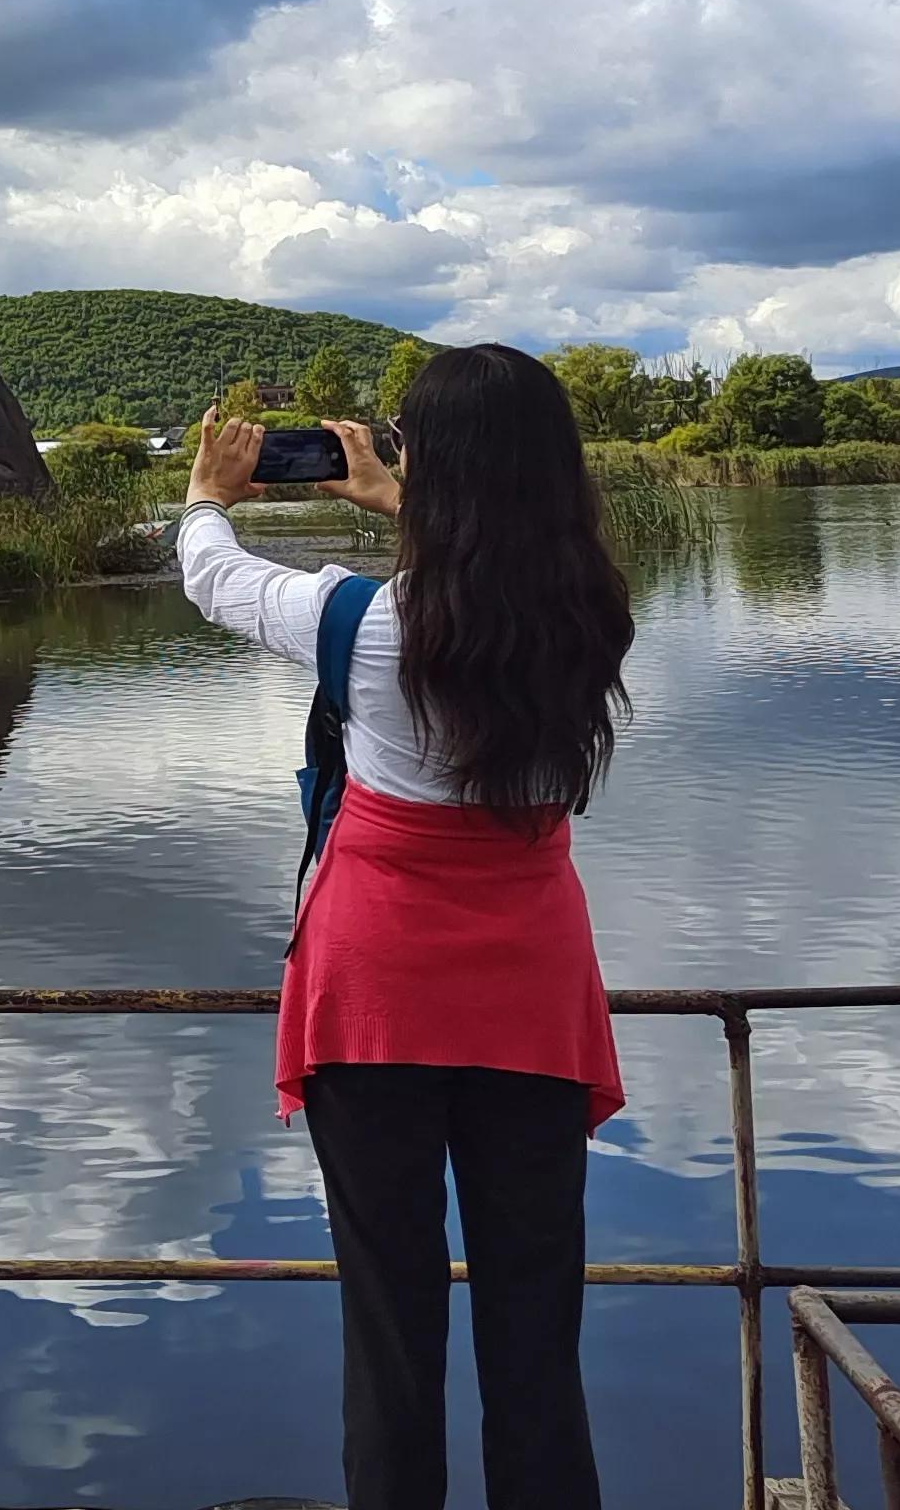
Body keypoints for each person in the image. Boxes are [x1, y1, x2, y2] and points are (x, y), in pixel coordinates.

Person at [179, 343, 637, 1510]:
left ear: (428, 461)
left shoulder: (357, 624)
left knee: (390, 1323)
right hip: (530, 996)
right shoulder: (594, 617)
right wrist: (404, 501)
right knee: (537, 1322)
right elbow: (494, 577)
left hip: (373, 995)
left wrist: (206, 498)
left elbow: (215, 579)